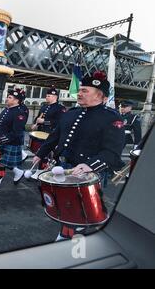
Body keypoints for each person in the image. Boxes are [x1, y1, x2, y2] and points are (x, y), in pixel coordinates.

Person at [32, 70, 125, 241]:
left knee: (74, 210)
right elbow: (55, 136)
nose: (79, 93)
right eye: (80, 90)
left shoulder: (111, 118)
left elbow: (112, 152)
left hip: (87, 172)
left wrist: (91, 165)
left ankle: (66, 240)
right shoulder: (72, 113)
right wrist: (41, 153)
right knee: (65, 205)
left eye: (84, 91)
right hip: (64, 168)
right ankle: (72, 229)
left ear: (100, 96)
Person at [0, 88, 28, 193]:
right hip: (1, 142)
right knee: (4, 163)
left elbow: (16, 133)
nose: (7, 99)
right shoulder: (6, 110)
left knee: (1, 164)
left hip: (10, 143)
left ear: (17, 100)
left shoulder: (19, 113)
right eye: (7, 97)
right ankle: (18, 172)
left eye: (9, 97)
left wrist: (1, 139)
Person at [29, 86, 67, 180]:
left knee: (54, 155)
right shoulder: (44, 106)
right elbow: (38, 118)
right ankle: (40, 171)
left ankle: (53, 172)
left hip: (52, 134)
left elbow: (59, 122)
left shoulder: (60, 108)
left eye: (49, 95)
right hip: (41, 133)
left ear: (55, 97)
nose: (46, 97)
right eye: (46, 95)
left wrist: (44, 122)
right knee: (43, 152)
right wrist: (35, 124)